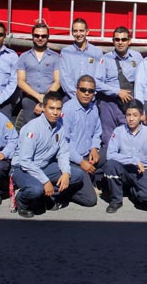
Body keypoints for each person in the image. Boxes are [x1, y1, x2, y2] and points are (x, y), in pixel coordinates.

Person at [10, 91, 85, 218]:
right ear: (43, 108)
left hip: (43, 166)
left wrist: (66, 172)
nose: (55, 112)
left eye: (58, 109)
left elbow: (63, 153)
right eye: (51, 108)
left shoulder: (60, 128)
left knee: (77, 174)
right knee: (36, 189)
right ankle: (21, 201)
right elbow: (25, 162)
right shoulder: (32, 129)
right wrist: (45, 181)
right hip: (22, 169)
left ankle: (46, 196)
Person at [104, 99, 147, 213]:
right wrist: (133, 160)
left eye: (135, 115)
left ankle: (133, 190)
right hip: (124, 170)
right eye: (128, 115)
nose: (131, 119)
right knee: (110, 165)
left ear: (141, 116)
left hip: (141, 172)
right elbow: (110, 155)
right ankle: (116, 200)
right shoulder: (118, 131)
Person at [96, 26, 143, 148]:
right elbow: (97, 82)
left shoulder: (137, 57)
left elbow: (143, 80)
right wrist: (117, 92)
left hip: (129, 104)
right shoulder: (105, 59)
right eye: (117, 39)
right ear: (113, 41)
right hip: (109, 103)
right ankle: (109, 163)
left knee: (130, 135)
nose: (120, 42)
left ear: (129, 41)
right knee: (108, 137)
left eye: (123, 39)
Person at [61, 75, 104, 207]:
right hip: (72, 159)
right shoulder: (68, 109)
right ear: (76, 90)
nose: (86, 93)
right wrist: (81, 161)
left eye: (90, 91)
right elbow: (63, 144)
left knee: (112, 158)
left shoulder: (93, 108)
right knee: (90, 200)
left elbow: (97, 132)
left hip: (88, 154)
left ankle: (89, 180)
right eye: (83, 90)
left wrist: (94, 148)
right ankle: (64, 192)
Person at [17, 23, 61, 125]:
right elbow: (21, 82)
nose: (40, 38)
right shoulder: (24, 57)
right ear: (32, 36)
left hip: (50, 98)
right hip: (30, 98)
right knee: (31, 128)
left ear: (48, 37)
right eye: (37, 36)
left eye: (43, 36)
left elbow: (57, 81)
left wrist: (44, 100)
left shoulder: (55, 57)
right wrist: (38, 97)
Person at [60, 18, 104, 100]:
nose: (78, 34)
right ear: (72, 32)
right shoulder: (65, 52)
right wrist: (76, 96)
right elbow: (64, 78)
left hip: (91, 97)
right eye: (75, 31)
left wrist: (90, 95)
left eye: (81, 30)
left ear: (87, 31)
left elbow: (99, 77)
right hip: (71, 97)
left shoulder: (97, 52)